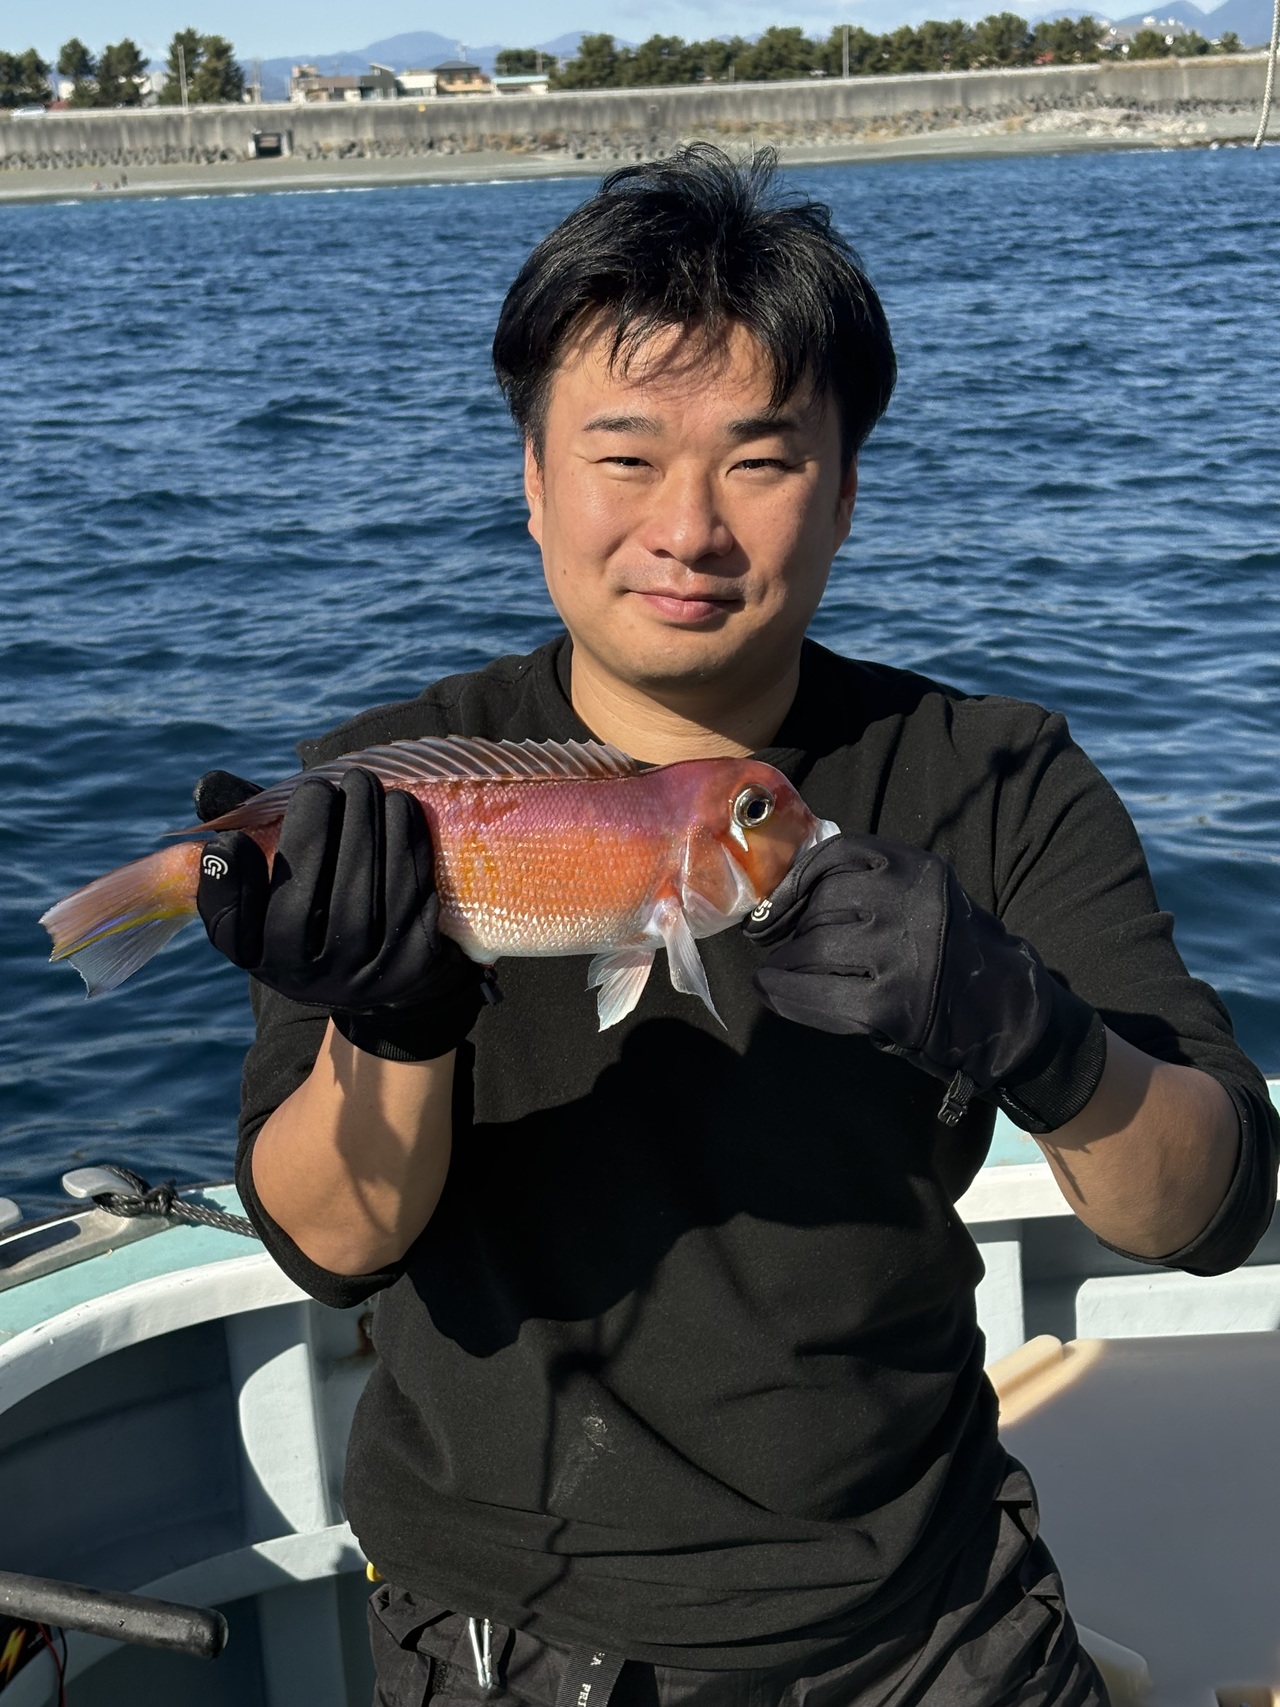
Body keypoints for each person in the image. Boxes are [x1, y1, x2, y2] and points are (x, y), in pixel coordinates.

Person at [194, 146, 1277, 1707]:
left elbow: (1205, 1212)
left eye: (760, 460)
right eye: (624, 456)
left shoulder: (996, 775)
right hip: (507, 1638)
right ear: (532, 480)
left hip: (935, 1617)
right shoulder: (391, 792)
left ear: (846, 488)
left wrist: (1034, 1034)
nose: (688, 528)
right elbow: (331, 1241)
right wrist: (392, 1020)